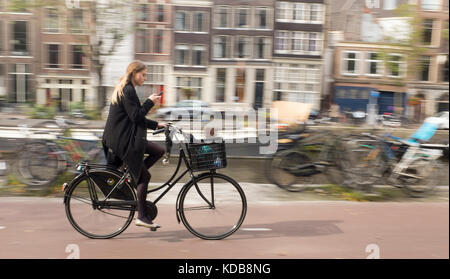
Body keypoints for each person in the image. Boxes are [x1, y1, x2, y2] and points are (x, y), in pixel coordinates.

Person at [102, 60, 166, 229]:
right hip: (123, 140)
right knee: (144, 177)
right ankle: (142, 216)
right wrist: (150, 102)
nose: (145, 78)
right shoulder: (127, 90)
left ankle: (131, 174)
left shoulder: (128, 89)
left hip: (125, 137)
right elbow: (136, 117)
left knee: (158, 151)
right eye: (143, 75)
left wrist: (155, 125)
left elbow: (135, 117)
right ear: (134, 73)